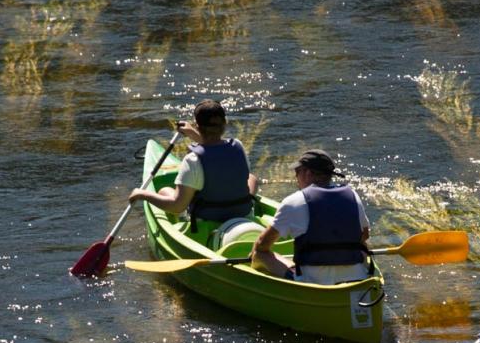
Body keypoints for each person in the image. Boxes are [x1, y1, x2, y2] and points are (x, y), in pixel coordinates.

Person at [129, 100, 258, 229]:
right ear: (225, 123)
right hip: (242, 214)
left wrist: (143, 194)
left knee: (165, 191)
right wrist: (192, 134)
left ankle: (180, 217)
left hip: (207, 221)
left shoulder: (192, 160)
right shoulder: (238, 146)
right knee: (251, 178)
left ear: (197, 126)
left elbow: (178, 206)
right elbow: (215, 151)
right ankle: (249, 202)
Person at [251, 149, 371, 285]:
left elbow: (263, 244)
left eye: (297, 172)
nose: (296, 178)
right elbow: (364, 235)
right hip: (356, 279)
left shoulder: (294, 201)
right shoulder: (353, 196)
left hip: (313, 283)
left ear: (307, 173)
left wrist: (255, 252)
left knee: (259, 253)